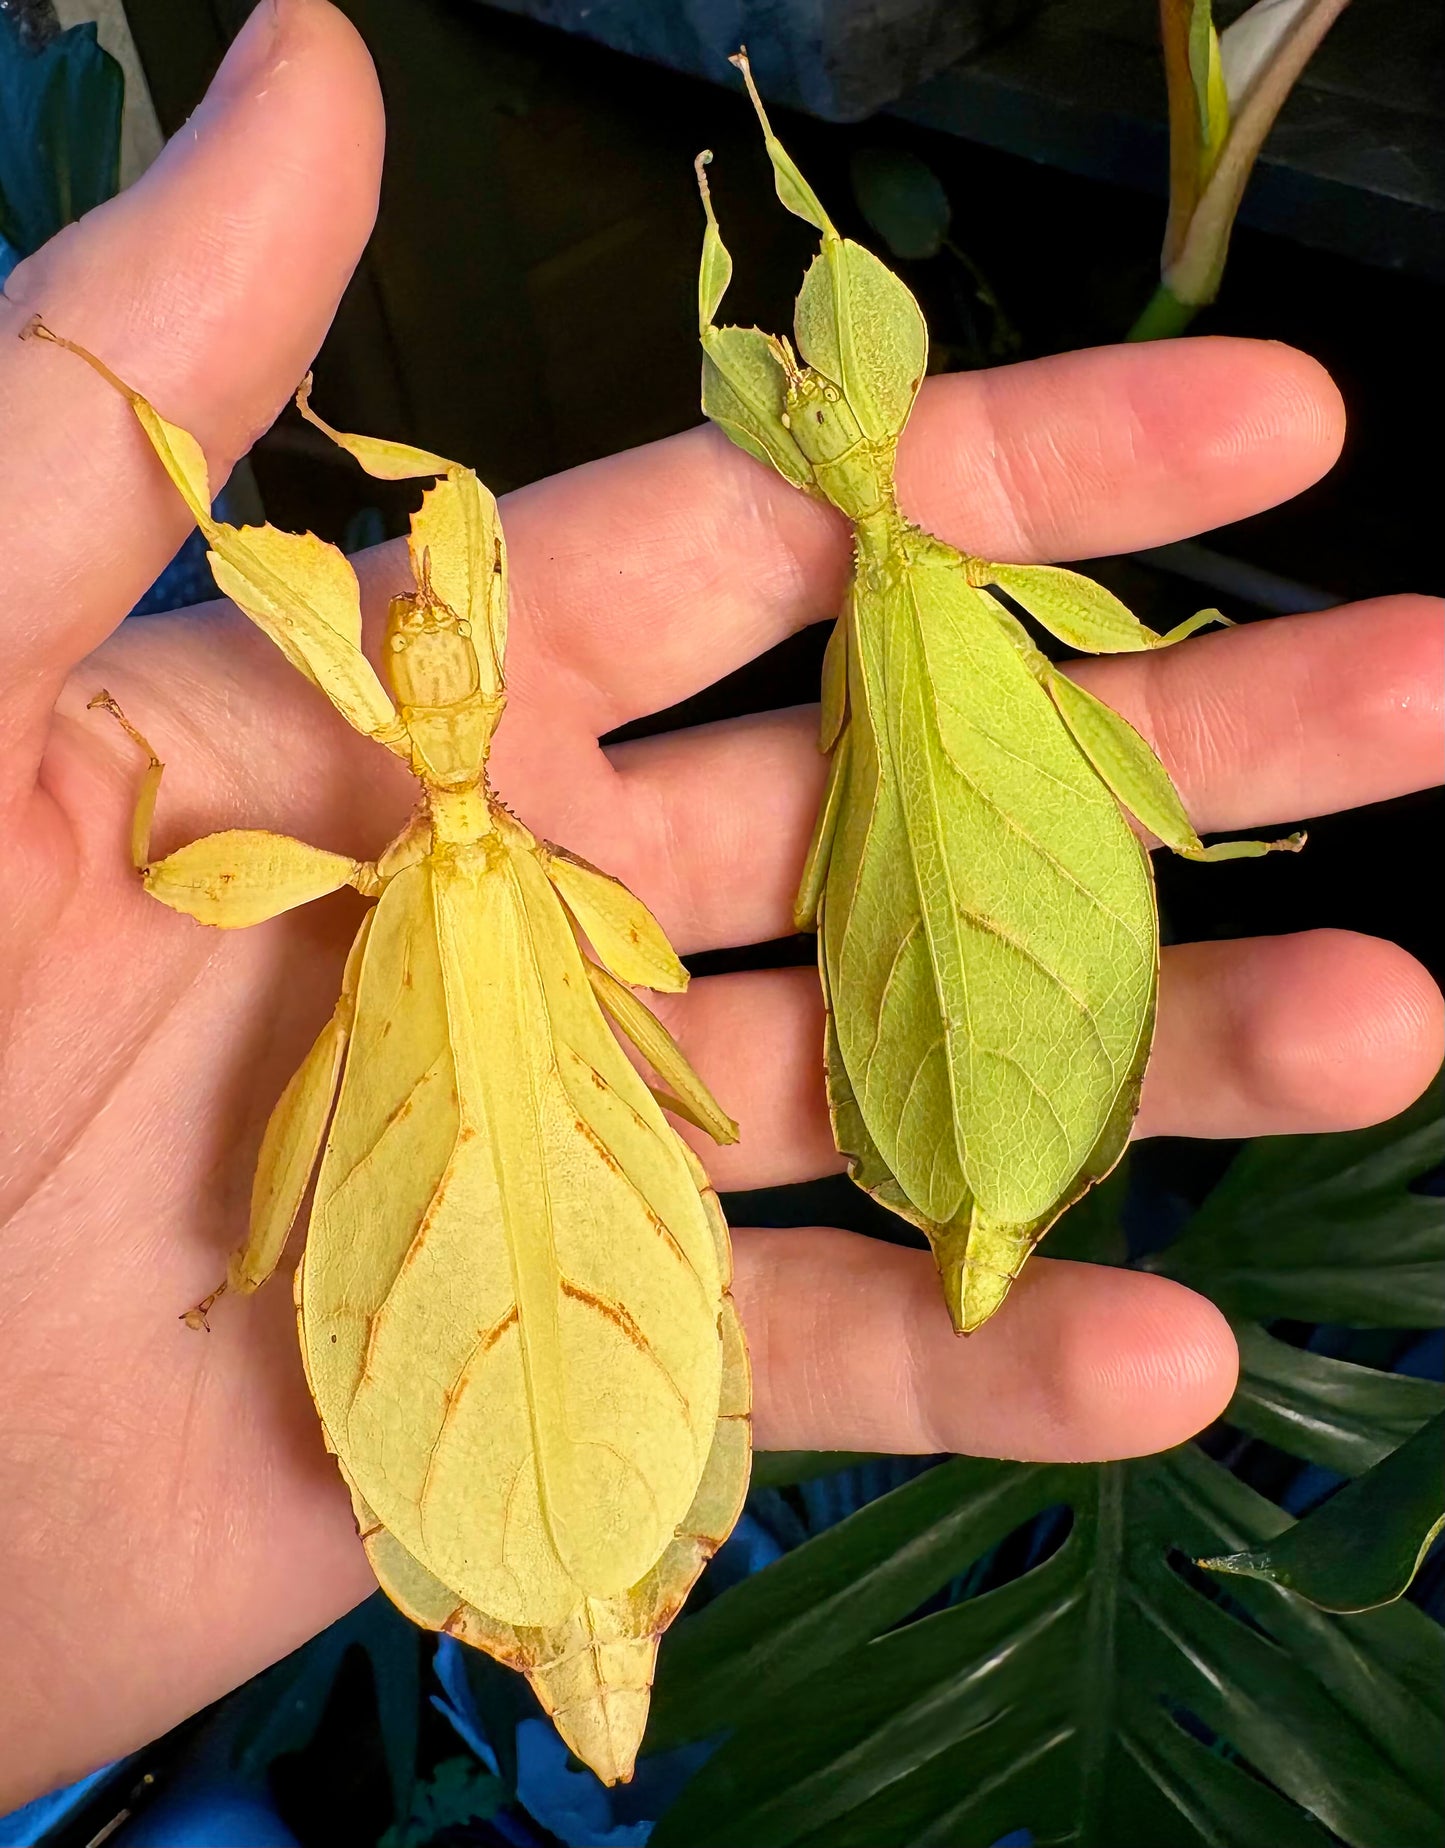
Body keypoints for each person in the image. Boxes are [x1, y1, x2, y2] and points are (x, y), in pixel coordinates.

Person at [0, 0, 1439, 1814]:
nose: (431, 643)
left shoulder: (439, 824)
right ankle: (572, 1594)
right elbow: (592, 950)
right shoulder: (504, 839)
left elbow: (407, 625)